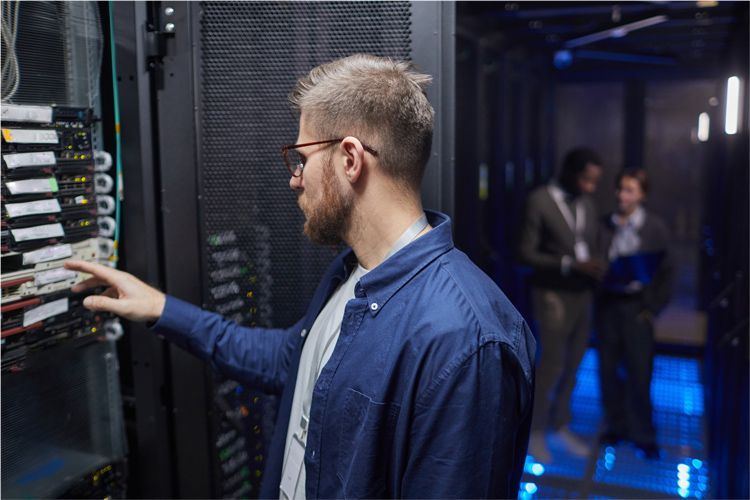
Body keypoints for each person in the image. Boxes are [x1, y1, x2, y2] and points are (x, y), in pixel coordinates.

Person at [66, 54, 536, 499]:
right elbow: (287, 364)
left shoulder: (467, 340)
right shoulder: (350, 274)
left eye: (302, 157)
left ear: (350, 159)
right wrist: (161, 308)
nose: (294, 178)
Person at [518, 147, 605, 462]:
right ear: (568, 172)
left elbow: (592, 243)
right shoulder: (539, 200)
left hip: (584, 295)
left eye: (594, 181)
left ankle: (560, 424)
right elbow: (525, 254)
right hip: (552, 294)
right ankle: (536, 432)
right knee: (551, 367)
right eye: (586, 179)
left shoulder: (588, 204)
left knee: (575, 364)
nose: (590, 187)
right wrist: (569, 264)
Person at [596, 167, 672, 459]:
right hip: (609, 305)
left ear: (642, 195)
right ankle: (616, 426)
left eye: (629, 190)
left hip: (638, 307)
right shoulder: (605, 224)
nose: (621, 195)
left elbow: (667, 272)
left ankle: (644, 434)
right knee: (608, 371)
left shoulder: (655, 227)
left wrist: (652, 309)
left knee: (640, 373)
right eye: (620, 189)